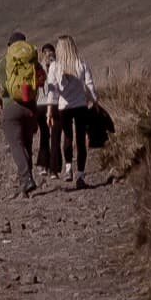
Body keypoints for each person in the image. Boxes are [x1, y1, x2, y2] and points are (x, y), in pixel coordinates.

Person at [0, 31, 42, 197]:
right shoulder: (32, 59)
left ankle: (26, 180)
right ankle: (26, 183)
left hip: (10, 108)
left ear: (9, 46)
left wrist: (1, 104)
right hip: (30, 107)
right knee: (27, 144)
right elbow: (40, 81)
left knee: (16, 145)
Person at [45, 34, 100, 189]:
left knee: (67, 137)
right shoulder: (81, 63)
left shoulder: (55, 66)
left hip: (64, 107)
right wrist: (95, 101)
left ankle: (68, 168)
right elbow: (89, 85)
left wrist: (49, 111)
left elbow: (52, 91)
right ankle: (81, 174)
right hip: (81, 106)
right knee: (81, 140)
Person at [34, 43, 60, 179]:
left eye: (49, 53)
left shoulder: (52, 67)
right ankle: (49, 167)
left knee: (49, 135)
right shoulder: (43, 68)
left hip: (47, 104)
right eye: (46, 53)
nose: (48, 56)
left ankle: (48, 166)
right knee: (49, 135)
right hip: (48, 104)